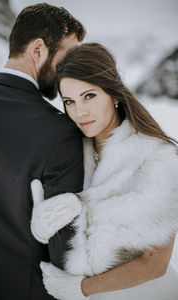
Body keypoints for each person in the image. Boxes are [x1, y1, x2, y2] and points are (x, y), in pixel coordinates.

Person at [31, 43, 178, 300]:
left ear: (114, 93)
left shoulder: (159, 157)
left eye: (89, 96)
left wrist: (81, 289)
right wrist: (41, 228)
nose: (80, 112)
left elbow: (155, 262)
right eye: (69, 102)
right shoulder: (69, 150)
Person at [0, 3, 86, 300]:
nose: (68, 71)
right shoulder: (61, 131)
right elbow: (65, 252)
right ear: (38, 50)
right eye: (67, 57)